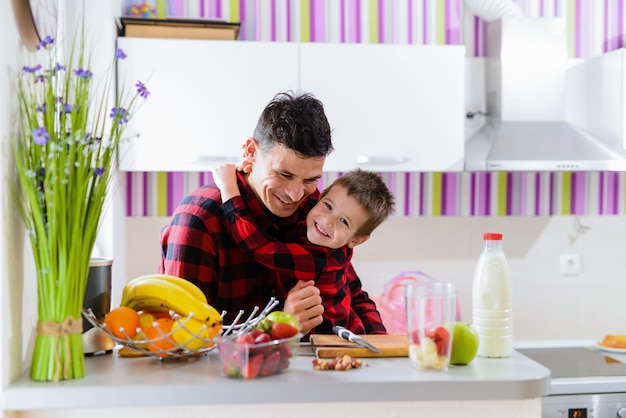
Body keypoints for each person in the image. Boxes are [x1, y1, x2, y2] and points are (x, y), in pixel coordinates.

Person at [158, 90, 386, 335]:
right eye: (284, 175)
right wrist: (279, 327)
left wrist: (383, 348)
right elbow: (183, 338)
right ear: (251, 152)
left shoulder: (316, 210)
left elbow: (352, 292)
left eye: (310, 179)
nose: (296, 194)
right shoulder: (199, 221)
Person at [212, 164, 395, 334]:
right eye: (328, 206)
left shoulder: (320, 258)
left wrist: (228, 188)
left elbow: (257, 245)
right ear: (319, 198)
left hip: (330, 339)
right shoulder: (315, 233)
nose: (327, 221)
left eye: (344, 221)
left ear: (356, 240)